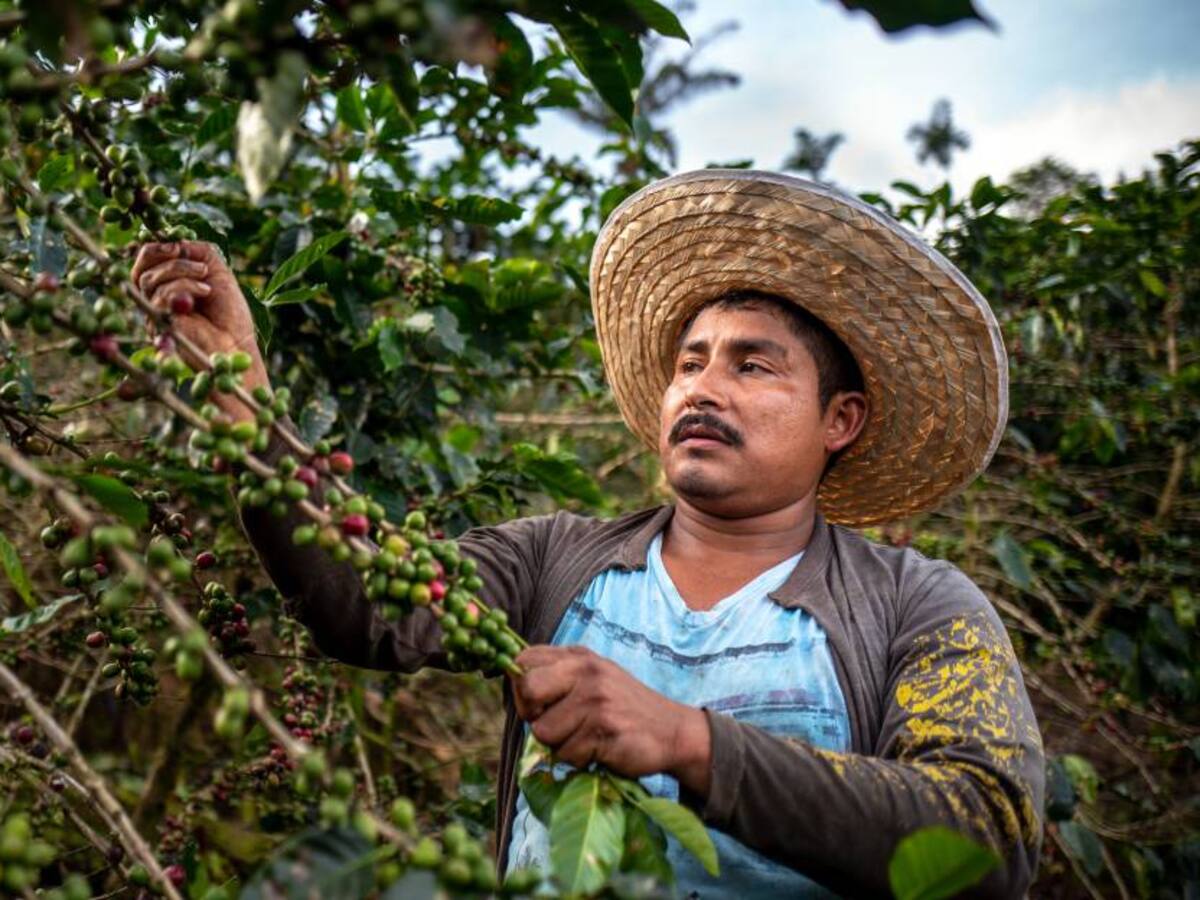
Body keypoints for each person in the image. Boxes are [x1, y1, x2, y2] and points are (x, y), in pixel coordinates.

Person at [131, 170, 1044, 898]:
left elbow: (984, 836)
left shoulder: (913, 605)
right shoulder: (553, 560)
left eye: (752, 365)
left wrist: (690, 742)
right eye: (690, 363)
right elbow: (364, 601)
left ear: (838, 421)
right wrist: (245, 401)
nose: (701, 388)